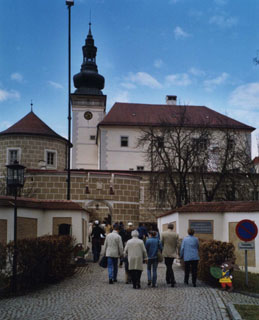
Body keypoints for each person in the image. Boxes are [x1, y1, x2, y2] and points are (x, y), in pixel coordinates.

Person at [161, 223, 179, 287]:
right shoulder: (176, 234)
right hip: (173, 252)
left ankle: (172, 280)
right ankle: (168, 279)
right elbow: (177, 244)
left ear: (167, 227)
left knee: (168, 266)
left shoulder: (163, 234)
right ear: (173, 227)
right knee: (169, 266)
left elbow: (161, 243)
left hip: (166, 252)